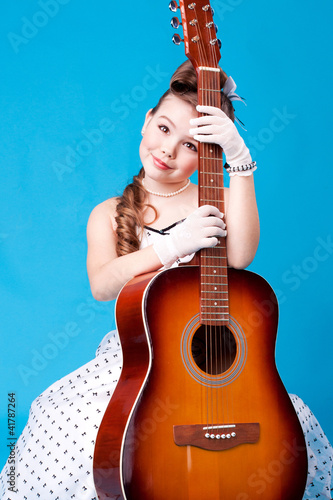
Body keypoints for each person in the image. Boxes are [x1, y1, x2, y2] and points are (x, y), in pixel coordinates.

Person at [0, 61, 332, 500]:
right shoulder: (109, 212)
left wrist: (240, 161)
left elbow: (242, 255)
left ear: (207, 154)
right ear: (145, 122)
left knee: (286, 435)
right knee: (83, 441)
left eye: (192, 144)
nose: (169, 150)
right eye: (163, 128)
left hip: (219, 372)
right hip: (138, 365)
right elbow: (102, 285)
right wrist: (168, 248)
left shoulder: (219, 197)